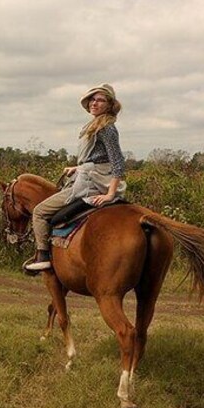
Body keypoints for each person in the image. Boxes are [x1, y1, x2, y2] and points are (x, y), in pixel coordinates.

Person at [25, 83, 127, 271]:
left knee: (39, 212)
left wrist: (110, 195)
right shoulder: (95, 125)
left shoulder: (106, 128)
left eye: (100, 100)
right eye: (92, 99)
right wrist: (78, 168)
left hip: (93, 184)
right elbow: (98, 159)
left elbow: (117, 162)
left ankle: (43, 255)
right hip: (87, 175)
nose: (94, 103)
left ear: (109, 105)